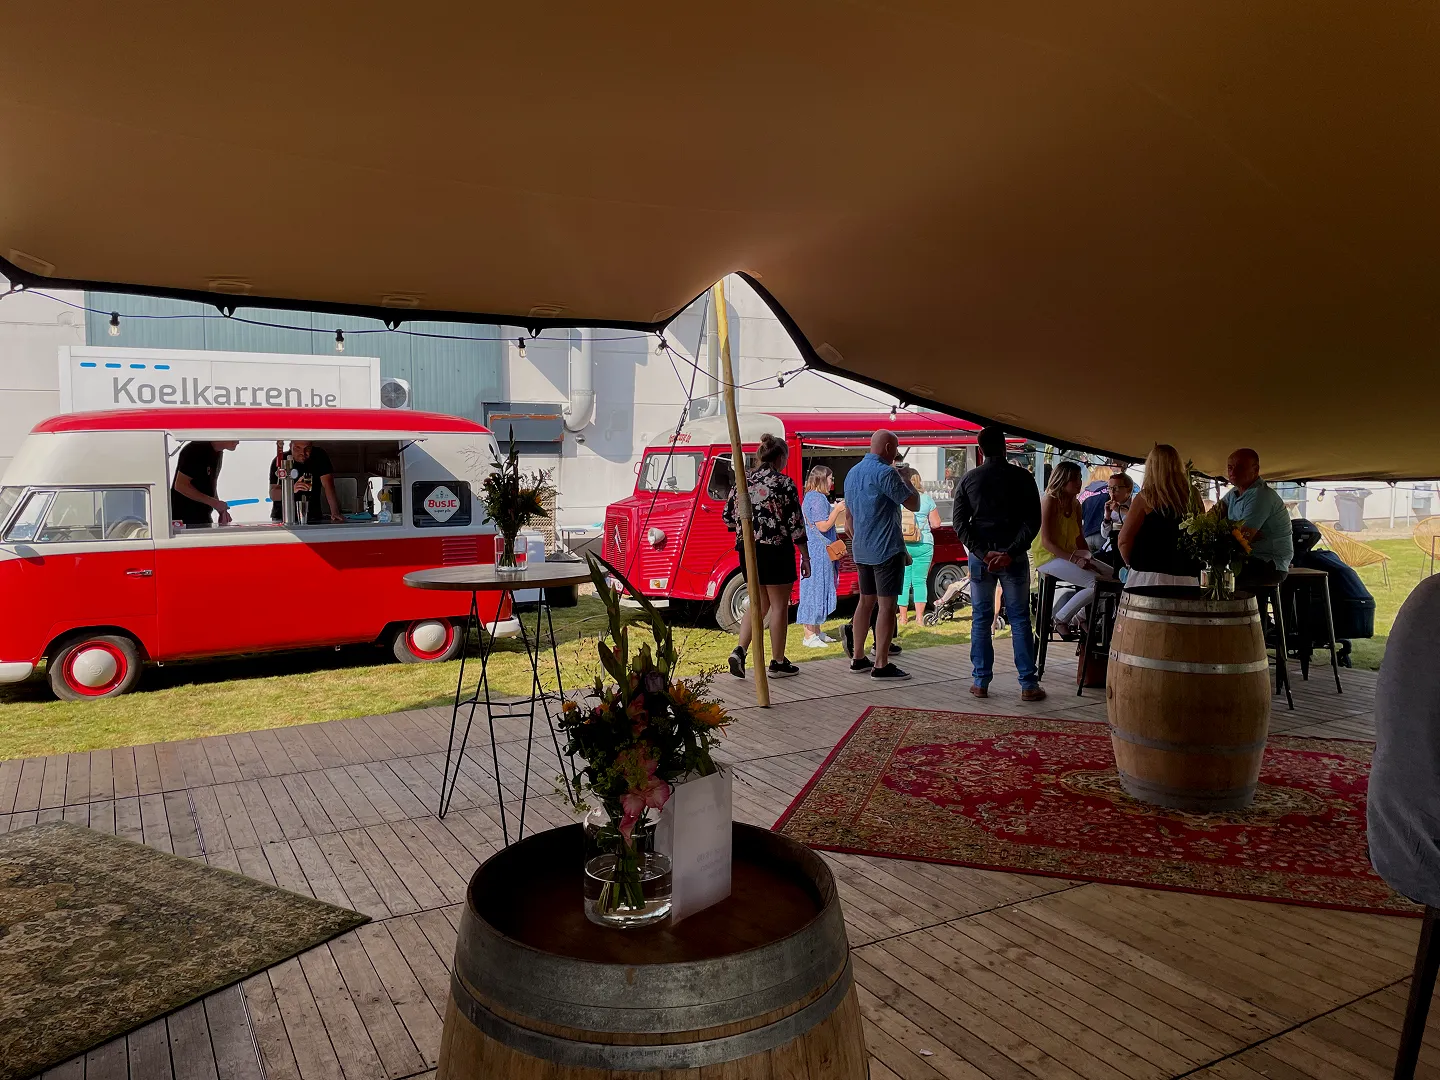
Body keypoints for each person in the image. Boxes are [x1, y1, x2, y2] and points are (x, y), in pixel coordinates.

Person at [952, 426, 1045, 701]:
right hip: (1013, 556)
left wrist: (982, 553)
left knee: (981, 618)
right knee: (1019, 618)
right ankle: (1028, 684)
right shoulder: (1023, 477)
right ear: (1005, 447)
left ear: (980, 450)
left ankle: (980, 681)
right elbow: (1033, 520)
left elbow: (960, 524)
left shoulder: (969, 480)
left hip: (981, 558)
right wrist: (1010, 552)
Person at [723, 433, 810, 680]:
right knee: (779, 605)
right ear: (780, 457)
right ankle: (778, 661)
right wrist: (805, 557)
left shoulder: (742, 482)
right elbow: (795, 523)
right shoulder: (784, 483)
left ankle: (740, 650)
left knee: (758, 603)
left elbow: (728, 518)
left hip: (748, 549)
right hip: (776, 548)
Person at [842, 429, 919, 681]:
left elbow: (849, 517)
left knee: (865, 602)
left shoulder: (853, 473)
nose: (896, 454)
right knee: (887, 606)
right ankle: (881, 664)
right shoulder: (886, 473)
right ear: (887, 448)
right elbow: (914, 504)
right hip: (886, 548)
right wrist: (907, 479)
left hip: (861, 548)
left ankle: (858, 658)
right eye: (895, 449)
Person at [1031, 461, 1109, 635]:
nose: (1080, 482)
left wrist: (1090, 557)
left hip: (1069, 553)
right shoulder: (1049, 501)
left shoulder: (1075, 504)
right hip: (1048, 557)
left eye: (1080, 478)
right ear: (1063, 480)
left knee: (1113, 578)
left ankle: (1081, 616)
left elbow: (1079, 536)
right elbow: (1047, 542)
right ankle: (1060, 618)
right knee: (1095, 583)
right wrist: (1075, 559)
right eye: (1075, 479)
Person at [1117, 444, 1201, 589]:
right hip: (1187, 577)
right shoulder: (1193, 496)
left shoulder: (1145, 497)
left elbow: (1124, 540)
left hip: (1148, 578)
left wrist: (1131, 565)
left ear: (1151, 467)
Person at [1217, 447, 1293, 590]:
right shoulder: (1234, 493)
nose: (1233, 472)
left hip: (1268, 564)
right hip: (1248, 559)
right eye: (1230, 467)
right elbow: (1213, 516)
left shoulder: (1260, 495)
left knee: (1214, 573)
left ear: (1256, 469)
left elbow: (1242, 538)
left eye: (1239, 467)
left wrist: (1221, 534)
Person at [798, 466, 843, 647]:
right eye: (830, 479)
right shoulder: (817, 498)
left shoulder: (812, 497)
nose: (832, 483)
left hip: (817, 551)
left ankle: (816, 631)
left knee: (818, 589)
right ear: (822, 479)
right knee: (814, 590)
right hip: (817, 553)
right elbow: (823, 526)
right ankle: (809, 636)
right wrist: (837, 510)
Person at [897, 465, 942, 629]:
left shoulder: (899, 499)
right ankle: (919, 618)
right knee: (920, 581)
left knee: (903, 582)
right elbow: (936, 523)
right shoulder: (927, 499)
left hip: (903, 544)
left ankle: (903, 618)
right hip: (923, 544)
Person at [269, 441, 344, 524]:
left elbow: (328, 485)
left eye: (307, 448)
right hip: (282, 516)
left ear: (312, 446)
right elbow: (273, 495)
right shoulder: (280, 461)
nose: (303, 453)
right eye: (297, 448)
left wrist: (335, 512)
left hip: (312, 516)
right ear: (290, 446)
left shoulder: (319, 456)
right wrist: (291, 489)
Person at [170, 440, 239, 527]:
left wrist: (220, 508)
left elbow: (211, 485)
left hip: (203, 517)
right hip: (183, 519)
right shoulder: (195, 450)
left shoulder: (217, 453)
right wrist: (215, 503)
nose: (238, 442)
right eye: (235, 437)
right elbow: (180, 485)